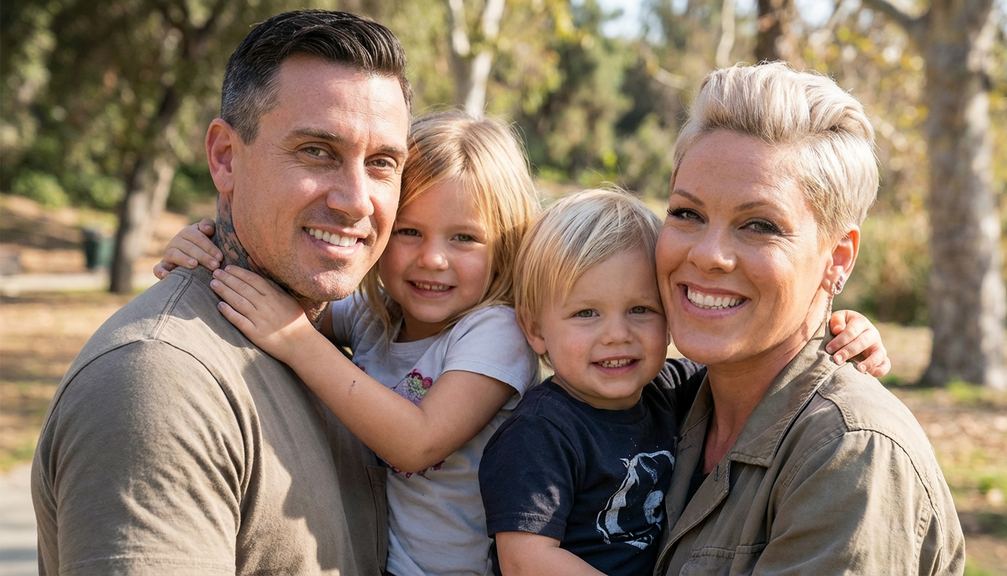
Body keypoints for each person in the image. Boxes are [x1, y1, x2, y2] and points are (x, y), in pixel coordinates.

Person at [31, 10, 411, 575]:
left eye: (382, 163)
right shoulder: (159, 383)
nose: (357, 201)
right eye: (316, 151)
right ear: (225, 158)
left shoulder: (350, 347)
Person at [156, 110, 542, 576]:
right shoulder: (376, 313)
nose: (432, 259)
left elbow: (419, 443)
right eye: (409, 232)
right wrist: (207, 250)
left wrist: (296, 339)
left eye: (464, 238)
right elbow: (276, 301)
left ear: (506, 246)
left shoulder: (496, 332)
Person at [478, 189, 892, 576]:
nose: (617, 335)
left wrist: (841, 331)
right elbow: (525, 560)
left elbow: (764, 374)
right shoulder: (539, 432)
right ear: (536, 329)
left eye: (640, 309)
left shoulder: (669, 389)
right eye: (586, 314)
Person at [652, 62, 965, 574]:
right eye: (687, 214)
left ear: (838, 259)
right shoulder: (666, 406)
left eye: (759, 225)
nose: (708, 255)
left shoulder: (851, 452)